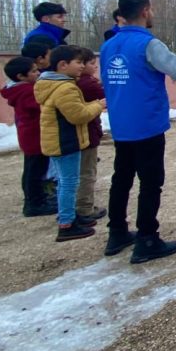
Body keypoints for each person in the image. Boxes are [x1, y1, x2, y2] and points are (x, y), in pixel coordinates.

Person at [100, 0, 176, 263]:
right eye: (151, 9)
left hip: (121, 123)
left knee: (121, 178)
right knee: (151, 183)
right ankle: (147, 238)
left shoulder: (109, 45)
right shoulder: (148, 44)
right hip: (146, 123)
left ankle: (117, 232)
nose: (152, 13)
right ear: (144, 11)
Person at [34, 45, 106, 242]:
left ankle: (69, 216)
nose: (82, 66)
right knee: (69, 182)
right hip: (66, 141)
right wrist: (98, 105)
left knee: (65, 181)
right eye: (79, 62)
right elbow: (78, 115)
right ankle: (67, 223)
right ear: (63, 65)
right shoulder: (65, 88)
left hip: (59, 141)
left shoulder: (53, 84)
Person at [0, 56, 54, 217]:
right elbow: (43, 106)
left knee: (33, 169)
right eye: (34, 71)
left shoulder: (19, 89)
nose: (38, 73)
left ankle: (37, 199)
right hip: (35, 137)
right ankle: (35, 203)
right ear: (20, 76)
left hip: (31, 135)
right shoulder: (27, 91)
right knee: (35, 171)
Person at [74, 48, 107, 225]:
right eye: (91, 64)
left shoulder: (75, 82)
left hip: (81, 134)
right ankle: (84, 208)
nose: (95, 67)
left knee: (76, 173)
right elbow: (107, 96)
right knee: (87, 172)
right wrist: (99, 105)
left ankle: (73, 207)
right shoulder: (87, 84)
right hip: (86, 134)